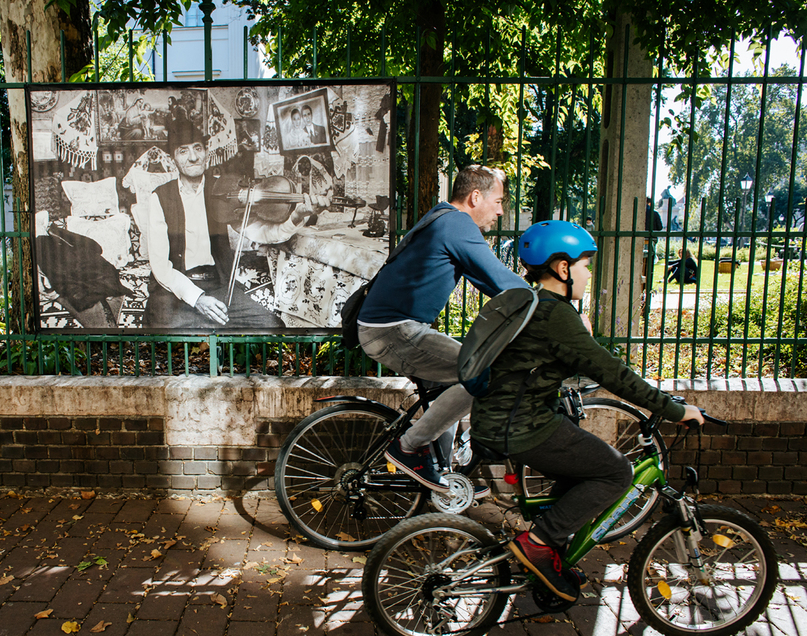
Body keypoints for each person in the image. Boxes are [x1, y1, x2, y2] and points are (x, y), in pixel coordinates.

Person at [468, 219, 704, 602]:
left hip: (499, 420)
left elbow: (549, 360)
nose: (588, 273)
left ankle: (548, 569)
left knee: (578, 478)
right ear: (563, 268)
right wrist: (676, 409)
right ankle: (539, 544)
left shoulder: (533, 303)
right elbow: (614, 373)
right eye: (585, 265)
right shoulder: (556, 315)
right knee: (616, 472)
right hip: (523, 426)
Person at [357, 165, 528, 493]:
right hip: (394, 331)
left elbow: (494, 285)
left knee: (449, 390)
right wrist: (558, 307)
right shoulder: (457, 224)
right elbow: (502, 280)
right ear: (476, 196)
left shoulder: (443, 219)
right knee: (481, 375)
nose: (501, 211)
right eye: (498, 201)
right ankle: (408, 446)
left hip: (390, 328)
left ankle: (443, 480)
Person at [145, 114, 326, 329]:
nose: (193, 157)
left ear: (206, 152)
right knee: (173, 340)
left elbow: (262, 232)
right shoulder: (159, 197)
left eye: (198, 148)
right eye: (183, 151)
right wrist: (198, 299)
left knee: (272, 326)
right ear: (173, 158)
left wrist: (297, 216)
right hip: (174, 291)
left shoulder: (223, 191)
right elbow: (160, 266)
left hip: (217, 284)